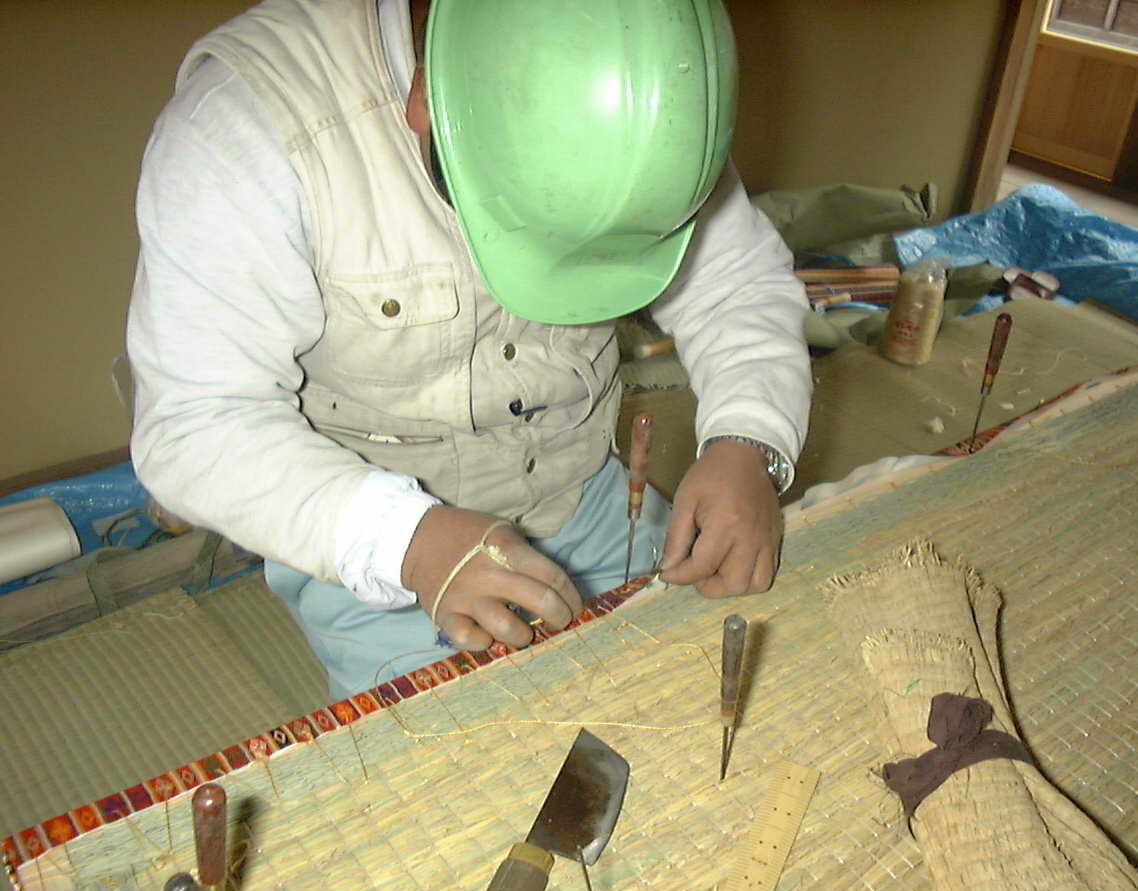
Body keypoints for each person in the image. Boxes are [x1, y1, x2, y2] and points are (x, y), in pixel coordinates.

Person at [126, 0, 812, 698]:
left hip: (587, 499)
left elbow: (736, 285)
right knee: (452, 759)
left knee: (696, 688)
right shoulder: (247, 125)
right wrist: (408, 540)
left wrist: (748, 441)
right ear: (426, 99)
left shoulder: (651, 92)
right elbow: (196, 422)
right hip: (379, 550)